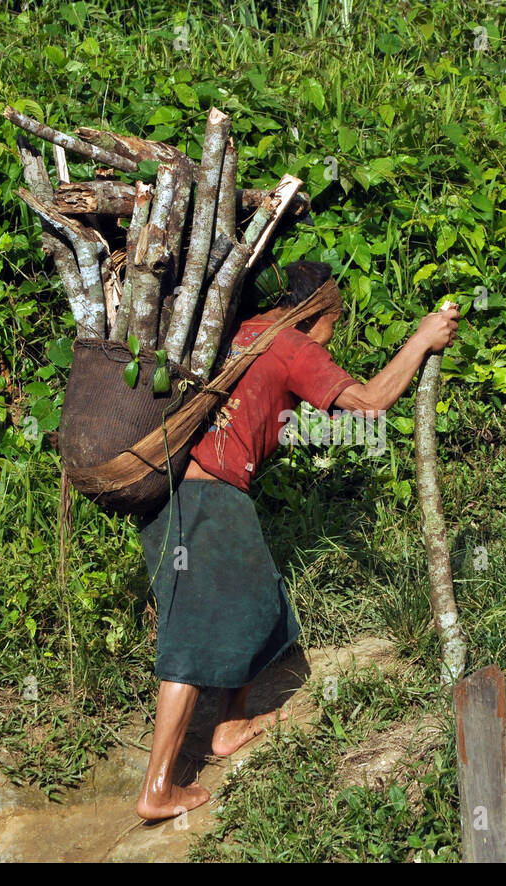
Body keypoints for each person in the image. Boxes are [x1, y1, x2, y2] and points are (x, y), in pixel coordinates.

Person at [134, 262, 459, 821]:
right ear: (318, 314)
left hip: (174, 496)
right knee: (191, 635)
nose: (332, 340)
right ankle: (157, 788)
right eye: (335, 325)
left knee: (261, 604)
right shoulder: (290, 343)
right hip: (206, 499)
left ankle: (229, 727)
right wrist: (421, 339)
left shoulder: (236, 330)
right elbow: (371, 402)